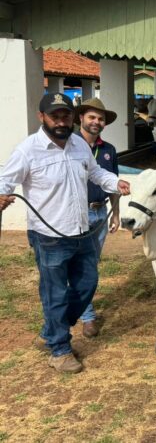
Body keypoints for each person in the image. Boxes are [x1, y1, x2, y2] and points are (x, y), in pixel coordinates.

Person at [0, 93, 130, 374]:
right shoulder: (27, 150)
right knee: (55, 294)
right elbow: (5, 180)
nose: (61, 121)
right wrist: (2, 194)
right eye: (55, 115)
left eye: (66, 115)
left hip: (82, 231)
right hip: (49, 236)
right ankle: (59, 349)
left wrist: (116, 182)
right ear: (42, 117)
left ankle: (51, 329)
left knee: (88, 283)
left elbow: (96, 174)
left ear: (73, 117)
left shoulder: (80, 147)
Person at [74, 97, 121, 338]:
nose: (96, 121)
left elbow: (112, 183)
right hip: (74, 213)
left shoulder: (108, 150)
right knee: (78, 265)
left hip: (100, 212)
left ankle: (84, 310)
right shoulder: (69, 146)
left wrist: (116, 213)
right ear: (81, 118)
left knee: (90, 265)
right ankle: (87, 315)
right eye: (91, 117)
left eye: (100, 118)